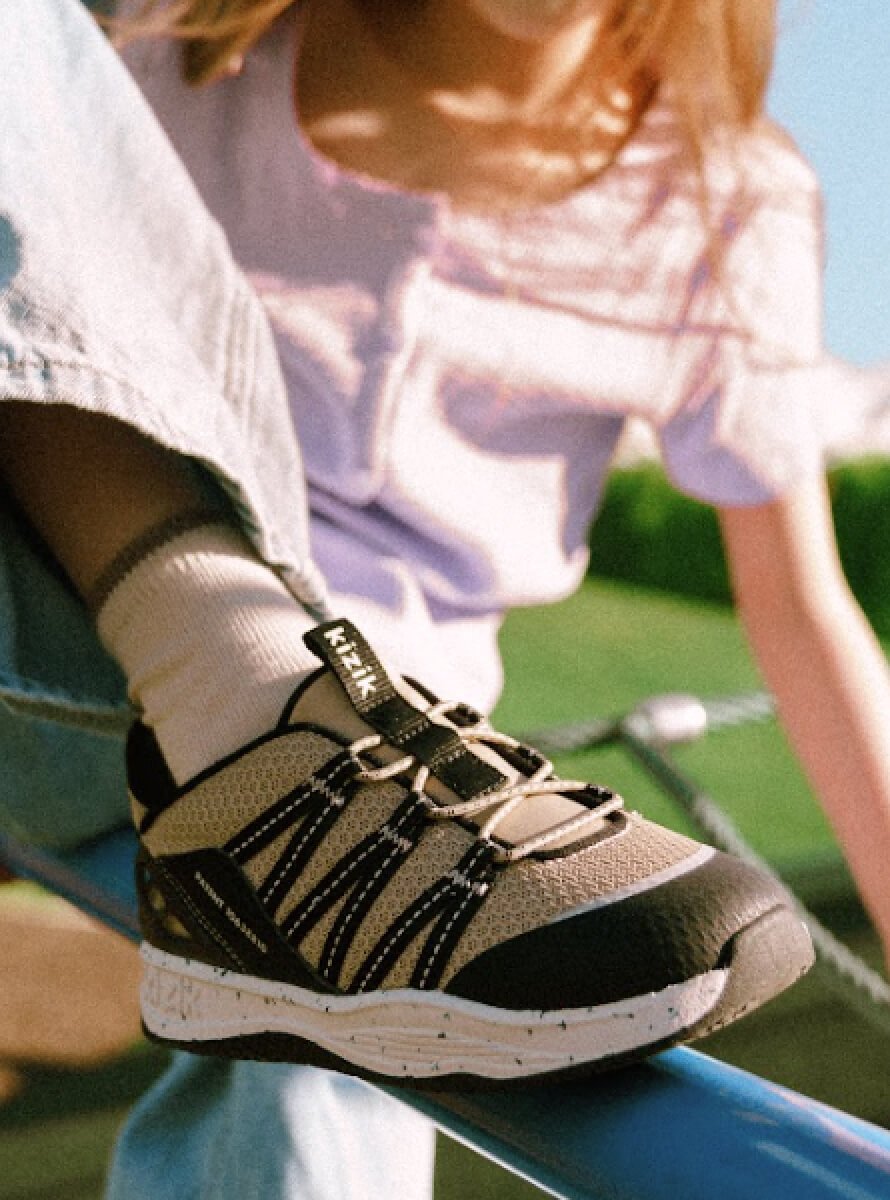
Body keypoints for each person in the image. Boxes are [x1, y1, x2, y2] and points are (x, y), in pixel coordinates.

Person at [1, 0, 888, 1196]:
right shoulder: (180, 46)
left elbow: (798, 608)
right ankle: (239, 706)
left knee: (363, 1017)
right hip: (67, 662)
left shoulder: (723, 197)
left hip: (405, 771)